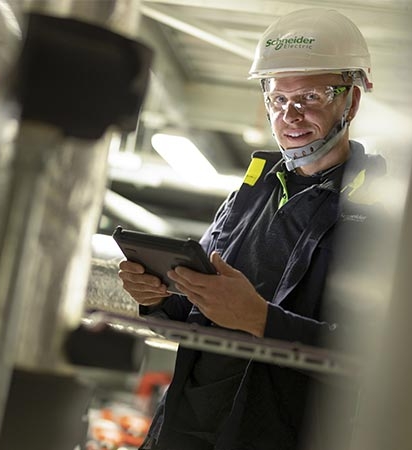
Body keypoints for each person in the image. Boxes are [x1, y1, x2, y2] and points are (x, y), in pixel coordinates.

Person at [118, 8, 387, 450]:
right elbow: (191, 319)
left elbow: (376, 354)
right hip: (184, 432)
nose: (291, 115)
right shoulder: (253, 189)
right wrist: (159, 298)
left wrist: (262, 321)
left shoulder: (380, 212)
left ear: (351, 101)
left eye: (311, 97)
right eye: (278, 100)